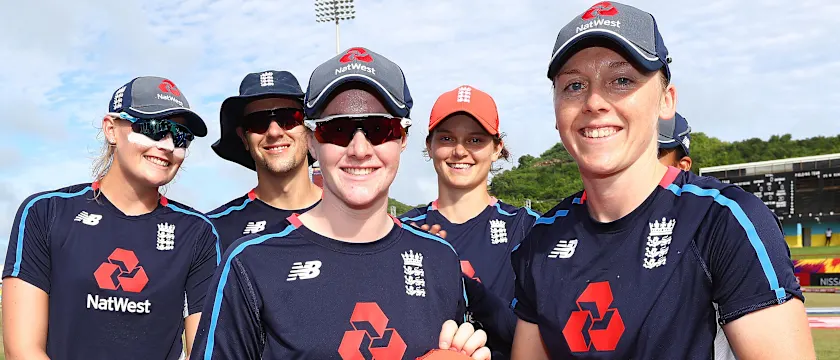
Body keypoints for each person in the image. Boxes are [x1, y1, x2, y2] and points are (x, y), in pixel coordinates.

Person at [510, 2, 814, 359]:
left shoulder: (725, 221)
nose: (594, 101)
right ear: (557, 111)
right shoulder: (542, 239)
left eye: (621, 80)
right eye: (574, 85)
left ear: (666, 101)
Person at [191, 47, 490, 359]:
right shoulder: (249, 262)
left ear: (402, 137)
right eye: (338, 129)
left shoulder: (439, 258)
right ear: (312, 141)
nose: (359, 149)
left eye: (379, 128)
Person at [2, 76, 220, 359]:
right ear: (111, 129)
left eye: (180, 136)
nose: (167, 145)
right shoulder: (45, 212)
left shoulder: (198, 232)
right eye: (154, 128)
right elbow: (23, 349)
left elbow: (202, 351)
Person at [399, 85, 539, 359]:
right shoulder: (405, 230)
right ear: (430, 145)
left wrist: (452, 275)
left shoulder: (528, 228)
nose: (460, 151)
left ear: (497, 148)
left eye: (475, 140)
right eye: (447, 138)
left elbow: (538, 337)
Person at [208, 70, 322, 252]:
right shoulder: (212, 232)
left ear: (307, 130)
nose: (274, 132)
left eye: (288, 118)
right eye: (258, 122)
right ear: (244, 138)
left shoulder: (354, 217)